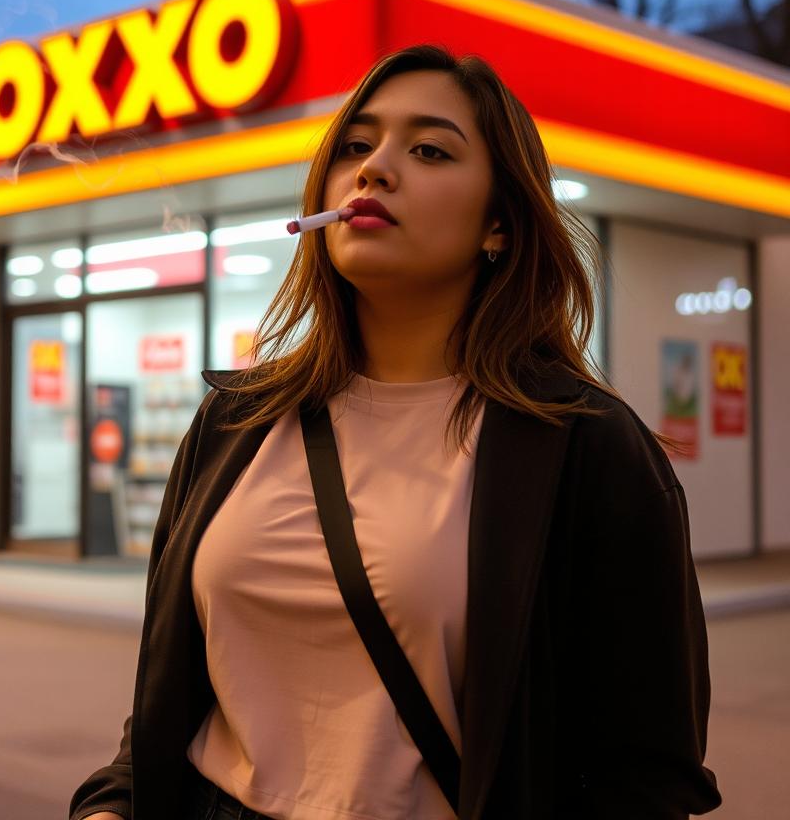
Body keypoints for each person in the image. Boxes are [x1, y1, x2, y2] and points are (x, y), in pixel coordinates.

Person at [69, 44, 722, 820]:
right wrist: (112, 806)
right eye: (355, 145)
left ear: (500, 225)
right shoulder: (234, 421)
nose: (373, 170)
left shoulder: (585, 446)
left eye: (428, 149)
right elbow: (166, 695)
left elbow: (645, 773)